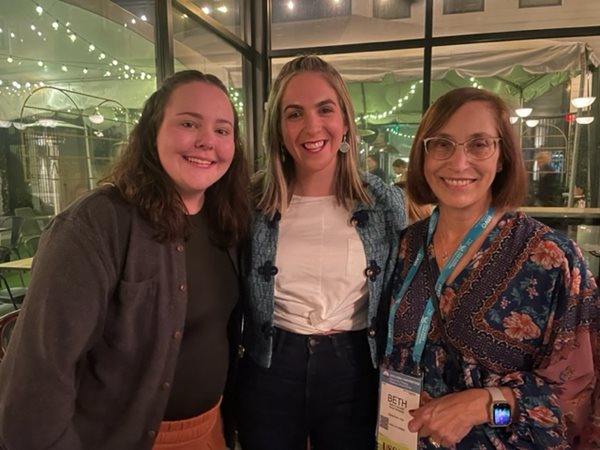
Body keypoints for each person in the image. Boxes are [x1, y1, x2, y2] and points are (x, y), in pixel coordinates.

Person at [0, 70, 251, 450]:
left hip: (211, 429)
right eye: (188, 123)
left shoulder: (228, 220)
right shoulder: (97, 223)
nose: (207, 142)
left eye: (223, 130)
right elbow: (36, 378)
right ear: (153, 131)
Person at [386, 87, 599, 449]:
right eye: (441, 144)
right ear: (423, 155)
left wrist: (488, 406)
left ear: (502, 157)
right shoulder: (405, 246)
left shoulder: (551, 260)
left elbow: (577, 396)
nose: (458, 162)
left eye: (478, 144)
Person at [238, 55, 407, 450]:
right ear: (279, 130)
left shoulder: (383, 202)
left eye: (325, 109)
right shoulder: (251, 202)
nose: (312, 127)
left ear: (345, 120)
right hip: (270, 365)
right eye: (294, 114)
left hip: (354, 366)